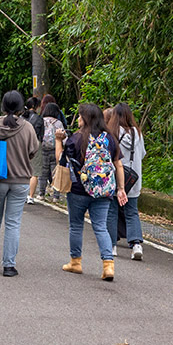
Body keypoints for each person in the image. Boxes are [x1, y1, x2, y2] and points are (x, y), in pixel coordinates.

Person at [60, 103, 127, 281]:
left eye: (80, 116)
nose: (79, 120)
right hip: (103, 191)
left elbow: (62, 163)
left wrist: (59, 141)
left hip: (78, 191)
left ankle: (75, 262)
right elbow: (118, 165)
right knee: (100, 226)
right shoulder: (110, 139)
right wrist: (120, 189)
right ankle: (108, 266)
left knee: (76, 225)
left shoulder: (76, 139)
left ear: (86, 119)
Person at [0, 90, 40, 277]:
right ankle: (9, 265)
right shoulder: (28, 127)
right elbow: (33, 151)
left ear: (3, 105)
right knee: (13, 223)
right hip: (21, 181)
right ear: (22, 107)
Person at [106, 103, 146, 260]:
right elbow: (142, 154)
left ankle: (111, 245)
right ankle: (136, 244)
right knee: (131, 212)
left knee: (112, 210)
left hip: (117, 177)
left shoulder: (113, 133)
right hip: (134, 179)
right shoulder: (138, 133)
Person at [23, 96, 47, 204]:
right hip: (35, 145)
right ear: (35, 107)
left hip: (21, 145)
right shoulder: (39, 119)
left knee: (22, 170)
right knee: (34, 172)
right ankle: (30, 196)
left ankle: (22, 194)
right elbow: (41, 135)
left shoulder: (21, 118)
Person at [41, 102, 67, 197]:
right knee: (55, 173)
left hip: (43, 150)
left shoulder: (41, 121)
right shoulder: (58, 123)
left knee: (43, 173)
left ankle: (41, 193)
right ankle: (56, 196)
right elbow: (64, 138)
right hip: (55, 150)